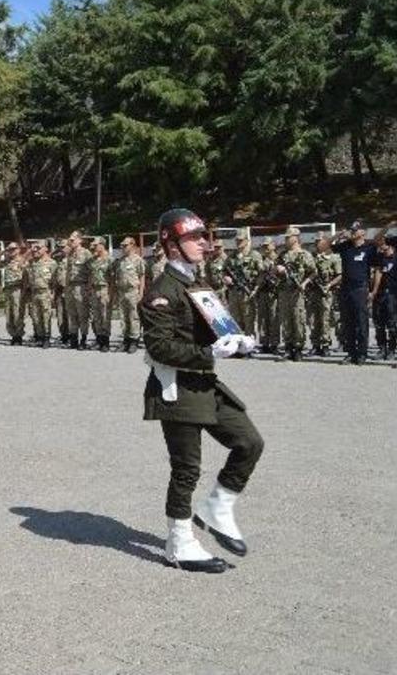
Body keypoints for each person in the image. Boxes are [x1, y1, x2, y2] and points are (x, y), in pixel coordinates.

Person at [139, 208, 264, 573]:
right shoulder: (160, 293)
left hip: (205, 384)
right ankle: (179, 543)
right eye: (195, 238)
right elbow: (158, 347)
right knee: (186, 469)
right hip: (175, 387)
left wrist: (236, 341)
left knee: (249, 442)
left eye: (203, 237)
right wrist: (209, 352)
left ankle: (217, 507)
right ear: (172, 245)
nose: (204, 244)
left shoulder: (197, 284)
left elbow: (212, 329)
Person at [332, 222, 378, 365]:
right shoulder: (345, 247)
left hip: (360, 288)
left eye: (355, 230)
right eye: (352, 230)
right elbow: (324, 246)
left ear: (363, 232)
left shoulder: (370, 248)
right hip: (346, 289)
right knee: (348, 323)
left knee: (361, 322)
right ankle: (351, 353)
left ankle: (362, 354)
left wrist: (373, 290)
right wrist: (338, 234)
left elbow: (377, 269)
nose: (352, 232)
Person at [275, 227, 316, 361]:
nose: (286, 240)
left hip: (297, 292)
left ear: (296, 237)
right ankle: (288, 347)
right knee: (286, 320)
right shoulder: (282, 255)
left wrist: (304, 283)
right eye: (286, 237)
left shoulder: (305, 254)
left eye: (288, 237)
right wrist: (278, 269)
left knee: (298, 319)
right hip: (284, 292)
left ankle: (298, 348)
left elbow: (313, 272)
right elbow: (273, 271)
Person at [224, 230, 262, 339]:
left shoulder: (255, 255)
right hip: (234, 292)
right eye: (237, 240)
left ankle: (248, 345)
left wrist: (255, 289)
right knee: (235, 319)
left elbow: (261, 274)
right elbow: (224, 271)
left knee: (248, 319)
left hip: (247, 292)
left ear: (247, 241)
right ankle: (238, 344)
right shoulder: (231, 256)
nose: (238, 242)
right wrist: (225, 278)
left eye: (241, 240)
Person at [308, 235, 342, 356]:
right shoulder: (311, 257)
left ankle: (326, 344)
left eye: (319, 242)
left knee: (325, 319)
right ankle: (315, 345)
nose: (317, 244)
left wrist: (329, 285)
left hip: (326, 292)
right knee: (313, 319)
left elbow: (340, 275)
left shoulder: (333, 258)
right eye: (316, 242)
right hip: (313, 292)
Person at [113, 237, 146, 353]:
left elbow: (142, 277)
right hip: (122, 291)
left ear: (132, 245)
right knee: (123, 317)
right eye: (122, 245)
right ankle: (126, 340)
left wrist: (141, 293)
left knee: (134, 316)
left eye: (125, 245)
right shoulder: (120, 261)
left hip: (133, 291)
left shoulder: (138, 260)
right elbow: (116, 277)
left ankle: (134, 340)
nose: (123, 247)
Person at [23, 240, 57, 348]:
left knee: (46, 316)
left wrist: (53, 294)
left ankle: (46, 338)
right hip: (33, 293)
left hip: (45, 292)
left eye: (38, 248)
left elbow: (55, 281)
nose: (35, 250)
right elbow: (26, 278)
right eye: (34, 248)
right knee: (35, 316)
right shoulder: (31, 263)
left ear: (45, 249)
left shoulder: (52, 263)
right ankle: (40, 337)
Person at [64, 232, 93, 349]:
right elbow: (68, 272)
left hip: (81, 287)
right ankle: (74, 338)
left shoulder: (86, 253)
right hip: (70, 287)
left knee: (83, 315)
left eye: (73, 240)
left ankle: (83, 339)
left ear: (80, 240)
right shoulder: (70, 254)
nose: (70, 242)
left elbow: (92, 271)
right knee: (72, 314)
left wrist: (88, 287)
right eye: (70, 240)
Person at [370, 235, 396, 360]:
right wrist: (373, 292)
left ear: (389, 244)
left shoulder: (395, 258)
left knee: (392, 323)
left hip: (393, 295)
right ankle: (382, 349)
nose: (380, 245)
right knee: (379, 323)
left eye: (383, 243)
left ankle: (392, 349)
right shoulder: (379, 258)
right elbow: (377, 275)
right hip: (379, 295)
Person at [87, 237, 113, 352]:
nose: (93, 247)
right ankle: (99, 340)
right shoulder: (92, 261)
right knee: (96, 317)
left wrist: (111, 294)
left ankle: (105, 342)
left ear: (102, 245)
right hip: (94, 290)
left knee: (105, 316)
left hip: (105, 289)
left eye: (96, 245)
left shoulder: (110, 260)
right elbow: (89, 276)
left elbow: (113, 279)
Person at [256, 239, 281, 354]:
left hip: (274, 293)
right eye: (264, 246)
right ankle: (265, 343)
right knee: (263, 318)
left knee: (274, 318)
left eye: (268, 246)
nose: (265, 248)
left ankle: (274, 344)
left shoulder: (279, 259)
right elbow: (259, 274)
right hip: (263, 292)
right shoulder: (261, 259)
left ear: (273, 246)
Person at [1, 243, 26, 346]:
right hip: (8, 289)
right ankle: (12, 334)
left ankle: (18, 336)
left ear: (18, 250)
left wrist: (24, 290)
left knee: (17, 313)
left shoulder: (22, 261)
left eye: (13, 249)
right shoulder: (7, 261)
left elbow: (26, 276)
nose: (11, 251)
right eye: (9, 249)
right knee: (8, 312)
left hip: (17, 289)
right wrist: (2, 252)